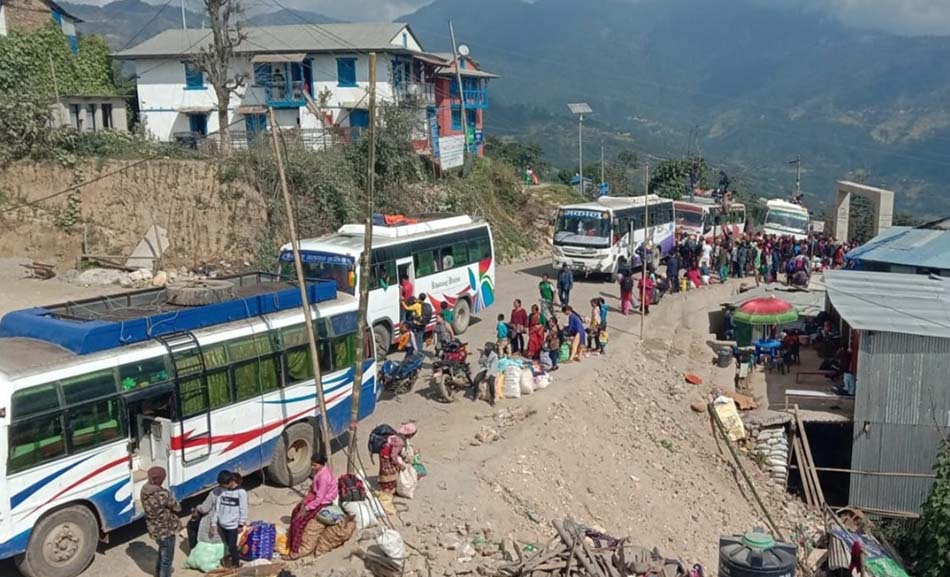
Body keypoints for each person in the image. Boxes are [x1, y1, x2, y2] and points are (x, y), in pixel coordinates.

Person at [288, 452, 338, 559]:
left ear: (321, 464)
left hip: (323, 501)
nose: (312, 467)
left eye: (314, 465)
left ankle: (295, 551)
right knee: (296, 511)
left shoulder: (323, 477)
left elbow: (319, 499)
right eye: (312, 464)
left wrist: (307, 508)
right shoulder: (320, 471)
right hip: (316, 496)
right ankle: (290, 541)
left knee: (300, 521)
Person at [141, 466, 180, 577]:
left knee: (162, 552)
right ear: (160, 479)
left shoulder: (144, 490)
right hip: (166, 530)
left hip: (154, 529)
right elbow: (177, 507)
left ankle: (158, 572)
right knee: (167, 559)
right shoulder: (162, 494)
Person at [211, 471, 247, 569]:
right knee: (227, 545)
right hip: (222, 525)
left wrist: (241, 524)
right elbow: (217, 508)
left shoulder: (241, 492)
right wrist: (214, 523)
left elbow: (243, 509)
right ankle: (230, 560)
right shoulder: (222, 491)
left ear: (231, 482)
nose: (223, 487)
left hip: (232, 526)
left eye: (224, 485)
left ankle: (236, 564)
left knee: (232, 546)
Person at [188, 470, 229, 551]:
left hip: (215, 524)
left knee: (191, 526)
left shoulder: (215, 492)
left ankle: (194, 550)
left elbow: (204, 509)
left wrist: (197, 508)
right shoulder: (236, 493)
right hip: (228, 524)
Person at [477, 341, 499, 406]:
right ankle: (476, 393)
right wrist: (482, 358)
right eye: (486, 347)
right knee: (476, 380)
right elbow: (479, 362)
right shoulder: (484, 354)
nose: (486, 348)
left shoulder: (494, 356)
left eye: (488, 347)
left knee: (491, 383)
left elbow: (492, 367)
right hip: (484, 369)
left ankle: (492, 398)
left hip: (492, 371)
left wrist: (487, 375)